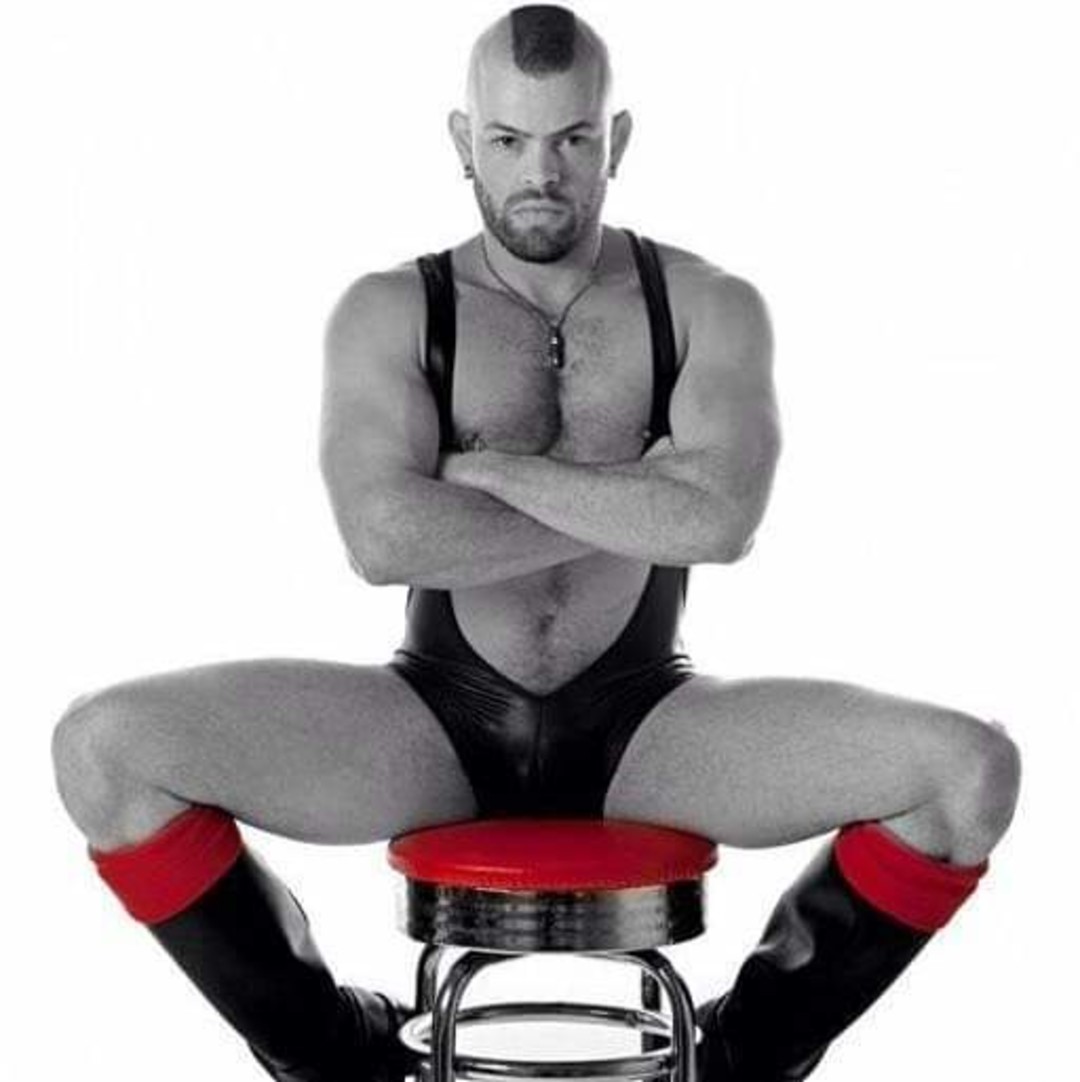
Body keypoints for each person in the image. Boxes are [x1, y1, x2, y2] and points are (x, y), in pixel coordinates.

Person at [51, 6, 1021, 1081]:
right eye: (509, 140)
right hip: (433, 719)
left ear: (618, 140)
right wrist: (642, 488)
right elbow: (382, 539)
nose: (540, 172)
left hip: (649, 725)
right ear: (463, 141)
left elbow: (721, 522)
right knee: (105, 751)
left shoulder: (709, 304)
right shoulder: (390, 309)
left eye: (572, 138)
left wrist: (489, 471)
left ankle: (740, 1058)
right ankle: (339, 1057)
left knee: (968, 772)